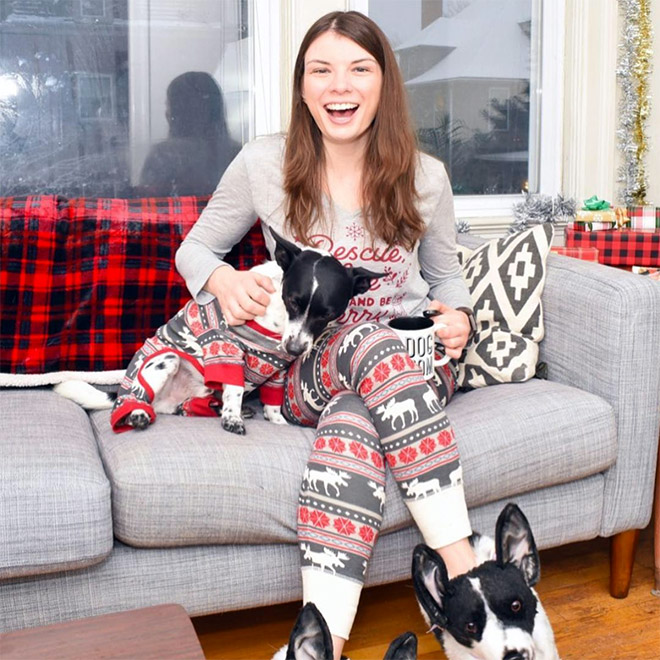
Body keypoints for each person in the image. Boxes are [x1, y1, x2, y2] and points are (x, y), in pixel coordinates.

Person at [176, 11, 477, 659]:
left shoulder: (425, 177)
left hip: (412, 367)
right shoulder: (264, 162)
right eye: (322, 69)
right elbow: (195, 249)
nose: (340, 84)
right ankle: (467, 578)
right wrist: (224, 283)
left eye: (358, 68)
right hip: (308, 369)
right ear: (304, 86)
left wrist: (458, 316)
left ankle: (320, 647)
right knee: (360, 345)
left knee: (354, 419)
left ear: (384, 83)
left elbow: (446, 279)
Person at [138, 71, 240, 197]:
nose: (166, 113)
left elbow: (147, 206)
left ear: (178, 113)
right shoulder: (237, 155)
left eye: (169, 106)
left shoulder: (162, 155)